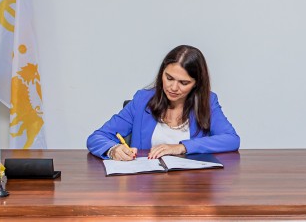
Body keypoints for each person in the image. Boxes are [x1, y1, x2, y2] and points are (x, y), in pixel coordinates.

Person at [87, 45, 240, 160]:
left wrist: (182, 147)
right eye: (169, 78)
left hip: (192, 189)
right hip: (145, 189)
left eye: (184, 82)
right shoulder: (142, 101)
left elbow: (231, 139)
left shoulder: (208, 101)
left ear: (196, 84)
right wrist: (113, 149)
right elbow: (96, 138)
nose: (173, 88)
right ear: (162, 74)